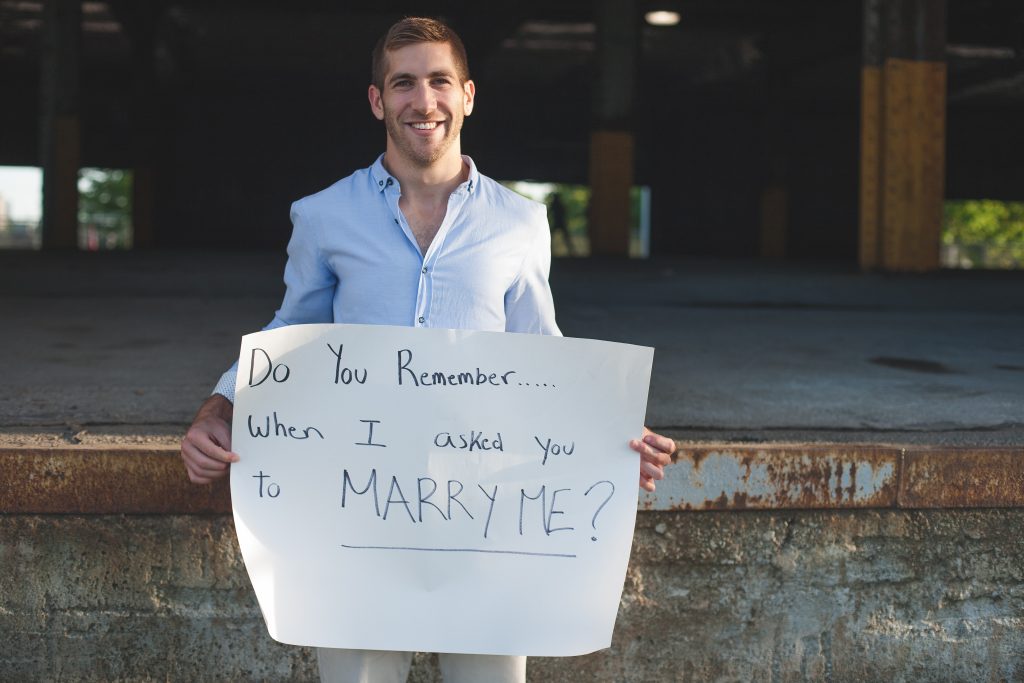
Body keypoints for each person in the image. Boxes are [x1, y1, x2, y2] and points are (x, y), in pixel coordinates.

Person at [180, 16, 675, 683]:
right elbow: (289, 334)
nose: (424, 100)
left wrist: (612, 432)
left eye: (439, 81)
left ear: (467, 95)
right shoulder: (325, 216)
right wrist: (220, 406)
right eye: (403, 83)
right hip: (357, 508)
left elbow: (541, 351)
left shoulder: (519, 221)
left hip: (488, 510)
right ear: (377, 100)